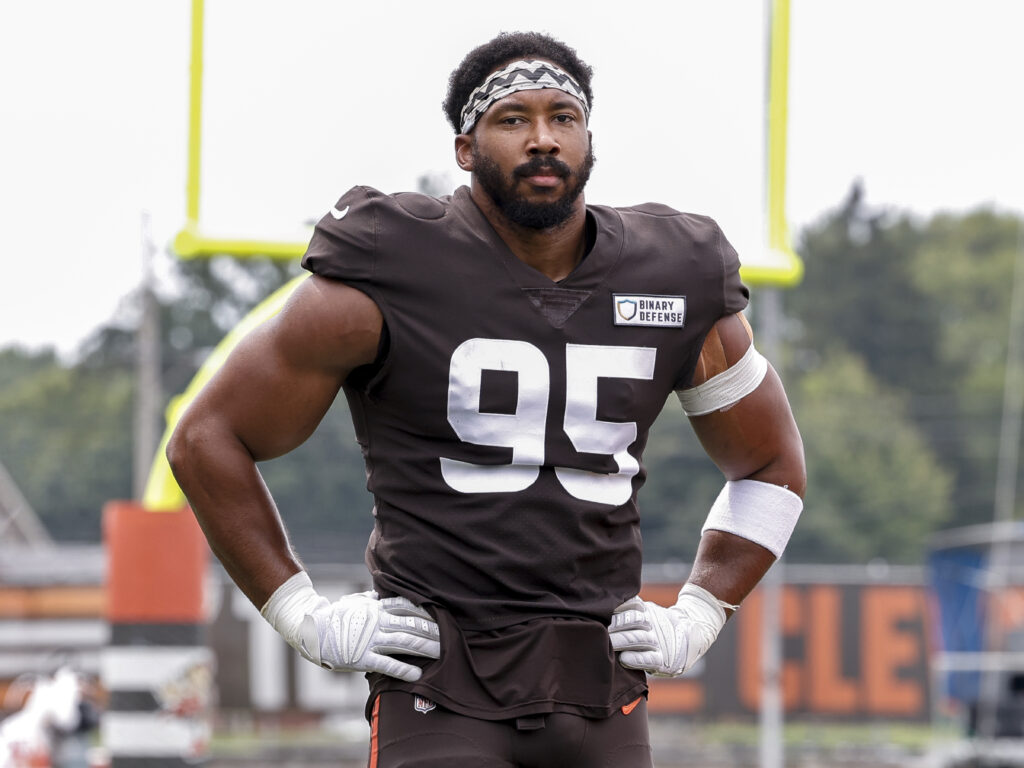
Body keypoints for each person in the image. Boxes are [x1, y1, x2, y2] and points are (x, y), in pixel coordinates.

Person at [167, 30, 805, 768]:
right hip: (442, 681)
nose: (542, 139)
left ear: (589, 137)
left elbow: (771, 463)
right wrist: (300, 613)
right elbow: (204, 439)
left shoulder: (675, 272)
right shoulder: (393, 262)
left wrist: (700, 611)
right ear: (466, 148)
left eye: (563, 117)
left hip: (602, 684)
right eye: (513, 120)